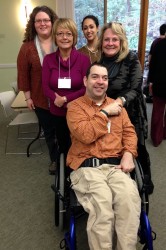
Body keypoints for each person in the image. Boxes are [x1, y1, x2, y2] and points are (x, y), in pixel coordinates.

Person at [66, 63, 141, 250]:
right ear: (85, 80)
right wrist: (105, 113)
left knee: (129, 201)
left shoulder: (118, 106)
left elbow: (129, 133)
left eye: (105, 78)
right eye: (95, 77)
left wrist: (129, 154)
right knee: (103, 207)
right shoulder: (75, 108)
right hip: (87, 167)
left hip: (116, 167)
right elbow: (85, 134)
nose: (100, 82)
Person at [97, 22, 154, 194]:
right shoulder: (99, 62)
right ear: (101, 42)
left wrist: (120, 101)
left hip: (131, 110)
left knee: (137, 145)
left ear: (121, 41)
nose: (110, 43)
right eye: (107, 39)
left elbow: (136, 88)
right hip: (111, 113)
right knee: (116, 146)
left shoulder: (131, 58)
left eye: (115, 39)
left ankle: (146, 176)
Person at [17, 6, 58, 174]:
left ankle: (69, 159)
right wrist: (28, 98)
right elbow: (23, 75)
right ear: (33, 24)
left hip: (64, 97)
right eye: (39, 21)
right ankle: (55, 160)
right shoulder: (27, 48)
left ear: (52, 22)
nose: (43, 24)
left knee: (66, 130)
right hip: (41, 99)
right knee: (49, 132)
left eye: (46, 20)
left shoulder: (61, 40)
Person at [42, 18, 91, 156]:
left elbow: (85, 88)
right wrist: (56, 99)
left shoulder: (84, 60)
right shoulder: (48, 59)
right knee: (63, 145)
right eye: (60, 34)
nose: (64, 37)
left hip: (78, 110)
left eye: (68, 34)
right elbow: (45, 87)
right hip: (57, 111)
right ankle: (65, 172)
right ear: (55, 37)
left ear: (74, 37)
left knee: (81, 144)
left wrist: (65, 99)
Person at [148, 38, 166, 147]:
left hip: (159, 83)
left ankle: (156, 138)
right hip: (160, 83)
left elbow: (152, 64)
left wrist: (151, 81)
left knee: (157, 112)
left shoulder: (159, 44)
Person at [145, 23, 166, 103]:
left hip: (157, 77)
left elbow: (150, 57)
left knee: (158, 108)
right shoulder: (159, 43)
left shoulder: (155, 42)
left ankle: (150, 96)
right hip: (160, 78)